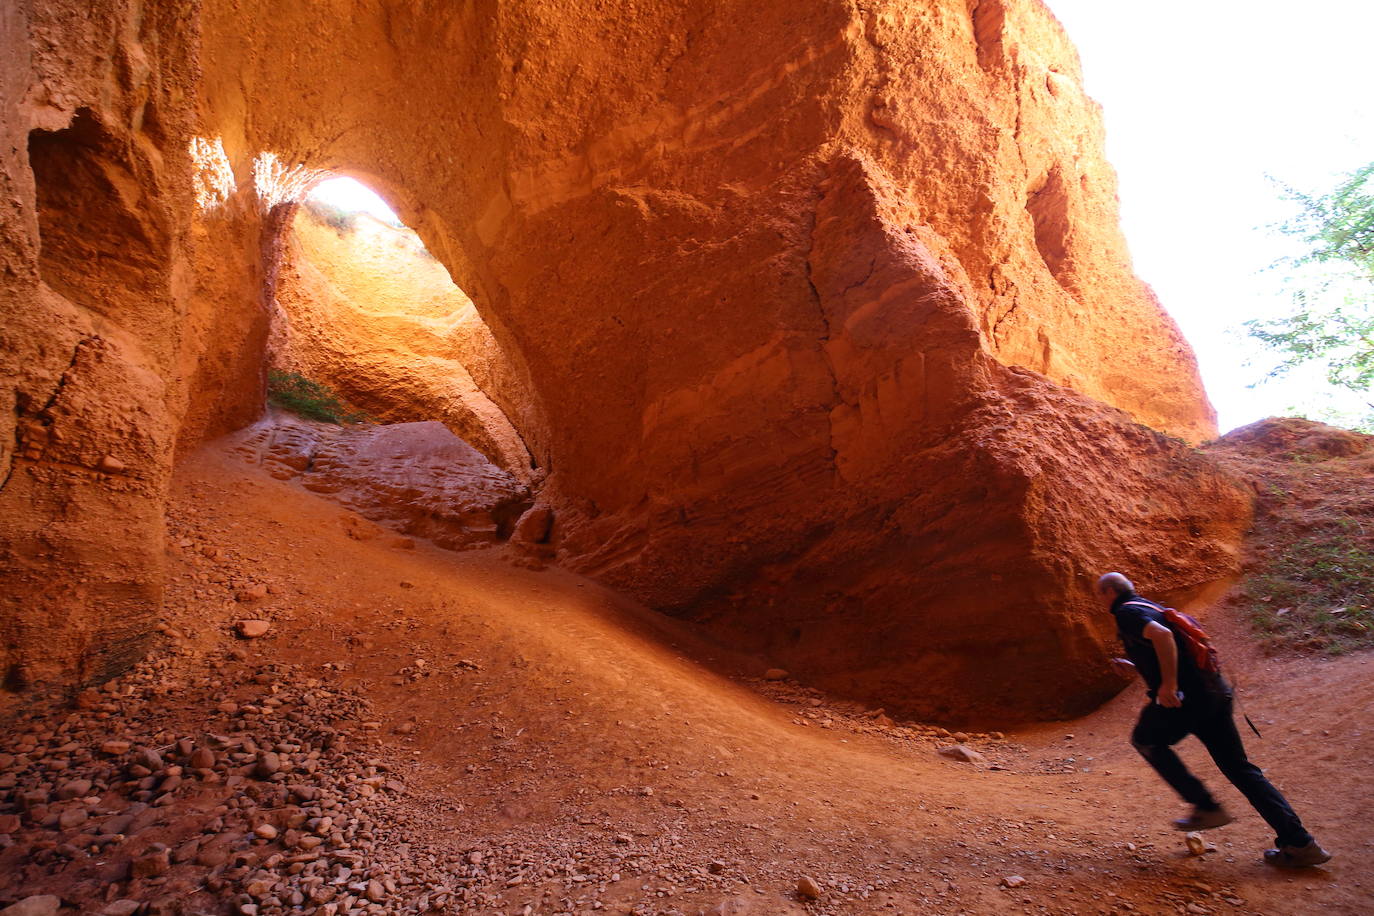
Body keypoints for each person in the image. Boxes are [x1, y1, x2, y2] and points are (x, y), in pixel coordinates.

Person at [1096, 572, 1331, 868]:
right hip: (1214, 692)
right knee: (1241, 769)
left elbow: (1163, 637)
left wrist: (1168, 685)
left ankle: (1205, 806)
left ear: (1108, 592)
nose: (1100, 600)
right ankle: (1300, 843)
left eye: (1100, 595)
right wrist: (1136, 666)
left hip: (1187, 699)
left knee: (1146, 740)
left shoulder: (1127, 610)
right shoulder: (1148, 605)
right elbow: (1169, 647)